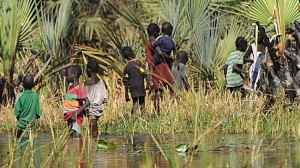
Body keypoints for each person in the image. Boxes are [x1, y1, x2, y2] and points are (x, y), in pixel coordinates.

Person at [146, 23, 175, 113]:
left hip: (154, 67)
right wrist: (171, 58)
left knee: (158, 91)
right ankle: (173, 107)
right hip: (160, 66)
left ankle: (157, 112)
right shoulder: (154, 42)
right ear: (155, 32)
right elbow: (159, 52)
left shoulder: (149, 43)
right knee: (170, 87)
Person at [64, 65, 90, 137]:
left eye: (67, 74)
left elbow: (87, 102)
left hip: (76, 118)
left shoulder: (79, 87)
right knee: (71, 136)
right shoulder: (70, 88)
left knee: (76, 136)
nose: (65, 76)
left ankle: (80, 147)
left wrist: (76, 114)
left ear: (74, 74)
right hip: (69, 118)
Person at [84, 59, 108, 138]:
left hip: (92, 109)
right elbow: (105, 97)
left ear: (89, 70)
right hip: (99, 108)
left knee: (93, 128)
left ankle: (94, 143)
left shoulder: (88, 83)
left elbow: (85, 97)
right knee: (94, 126)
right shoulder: (101, 82)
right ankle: (95, 142)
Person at [122, 46, 146, 115]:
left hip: (133, 87)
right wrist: (148, 83)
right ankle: (143, 117)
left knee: (135, 102)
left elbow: (125, 81)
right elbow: (145, 74)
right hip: (140, 85)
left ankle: (133, 119)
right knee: (142, 102)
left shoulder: (126, 67)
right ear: (132, 53)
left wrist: (126, 93)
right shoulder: (139, 63)